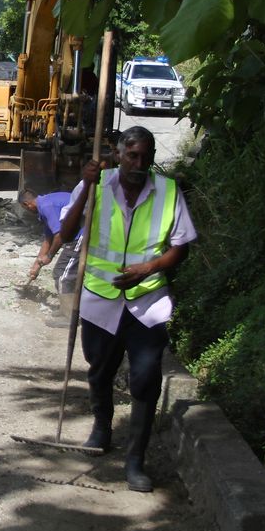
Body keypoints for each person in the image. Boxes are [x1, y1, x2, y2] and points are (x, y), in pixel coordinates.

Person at [58, 126, 196, 492]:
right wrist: (86, 187)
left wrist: (147, 269)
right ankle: (102, 428)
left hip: (148, 302)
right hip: (100, 301)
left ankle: (136, 461)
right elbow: (67, 233)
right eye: (132, 155)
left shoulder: (167, 191)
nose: (139, 163)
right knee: (99, 371)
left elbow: (180, 247)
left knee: (146, 379)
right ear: (118, 155)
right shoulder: (96, 183)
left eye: (146, 156)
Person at [18, 188, 81, 316]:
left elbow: (59, 236)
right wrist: (37, 265)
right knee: (67, 273)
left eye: (25, 209)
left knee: (62, 274)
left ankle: (69, 315)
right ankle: (68, 308)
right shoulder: (45, 204)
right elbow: (48, 239)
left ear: (27, 204)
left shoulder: (47, 206)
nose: (27, 211)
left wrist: (50, 256)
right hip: (76, 235)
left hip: (81, 235)